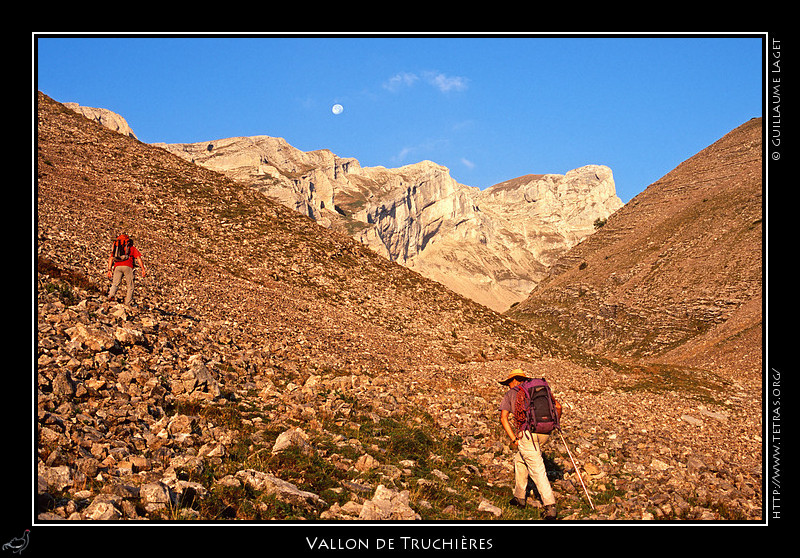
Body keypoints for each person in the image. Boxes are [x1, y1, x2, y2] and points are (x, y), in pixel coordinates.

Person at [498, 369, 558, 520]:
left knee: (537, 470)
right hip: (544, 431)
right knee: (519, 460)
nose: (508, 386)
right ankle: (519, 497)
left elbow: (503, 418)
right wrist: (553, 424)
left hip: (527, 434)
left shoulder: (512, 393)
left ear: (514, 380)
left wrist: (513, 438)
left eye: (508, 382)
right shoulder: (537, 390)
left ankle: (550, 507)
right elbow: (558, 407)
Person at [107, 233, 146, 305]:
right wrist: (143, 269)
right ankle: (128, 302)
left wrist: (109, 270)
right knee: (130, 286)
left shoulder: (117, 248)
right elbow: (138, 258)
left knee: (115, 284)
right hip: (128, 266)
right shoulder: (132, 248)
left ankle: (111, 296)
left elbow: (111, 258)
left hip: (117, 266)